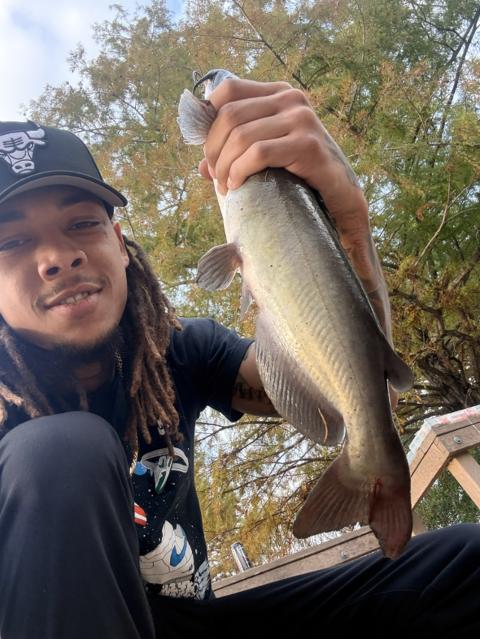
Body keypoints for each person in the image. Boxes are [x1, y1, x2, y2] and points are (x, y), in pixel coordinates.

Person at [0, 79, 477, 639]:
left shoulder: (178, 352)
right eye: (10, 242)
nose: (58, 257)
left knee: (463, 565)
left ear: (120, 244)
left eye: (82, 223)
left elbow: (338, 392)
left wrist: (348, 234)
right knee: (57, 451)